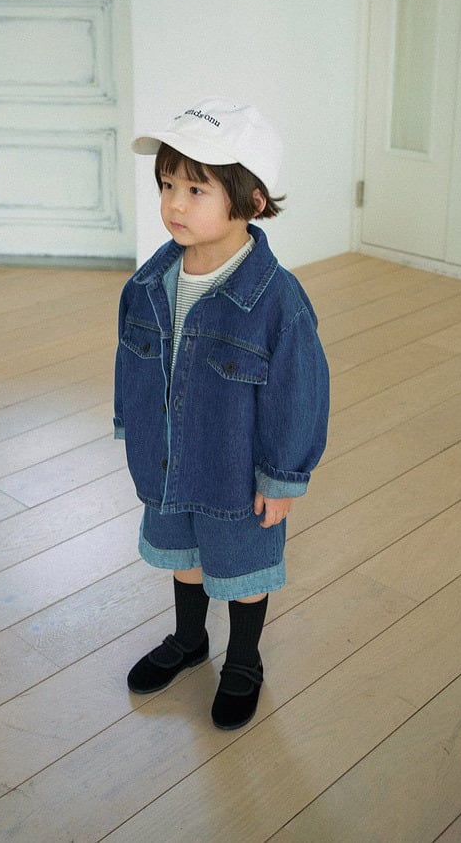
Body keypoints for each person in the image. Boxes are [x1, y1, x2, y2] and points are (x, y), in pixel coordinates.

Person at [113, 97, 329, 730]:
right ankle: (189, 640)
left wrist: (282, 478)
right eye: (167, 185)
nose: (174, 205)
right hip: (167, 461)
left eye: (195, 190)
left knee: (241, 565)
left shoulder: (278, 302)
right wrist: (131, 427)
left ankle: (243, 658)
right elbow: (131, 364)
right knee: (184, 554)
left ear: (252, 201)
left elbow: (298, 394)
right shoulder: (147, 284)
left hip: (236, 475)